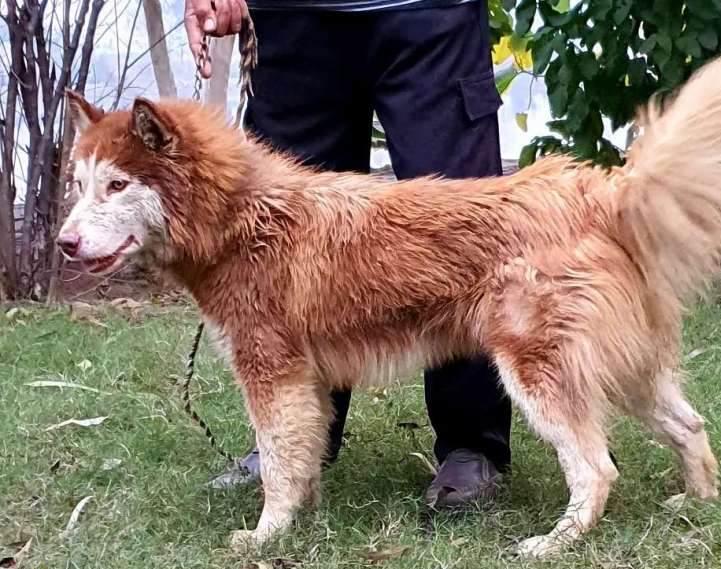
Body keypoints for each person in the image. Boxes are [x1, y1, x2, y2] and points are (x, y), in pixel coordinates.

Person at [184, 0, 511, 507]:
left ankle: (473, 444)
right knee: (279, 236)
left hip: (429, 14)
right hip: (290, 16)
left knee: (467, 227)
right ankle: (291, 450)